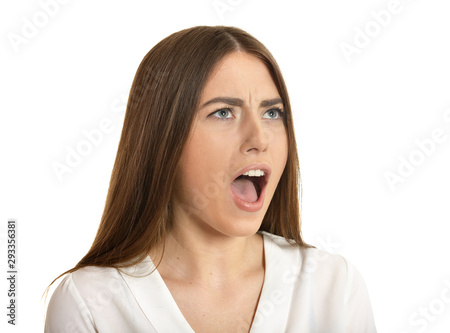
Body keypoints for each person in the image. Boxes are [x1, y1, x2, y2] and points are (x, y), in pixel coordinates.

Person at [44, 25, 377, 332]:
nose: (259, 138)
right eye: (223, 113)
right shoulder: (89, 302)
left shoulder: (333, 286)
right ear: (162, 139)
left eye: (272, 112)